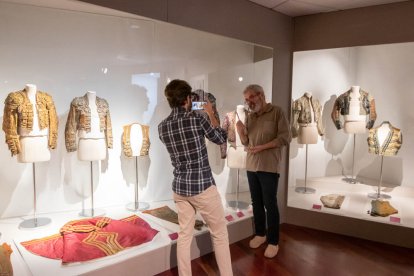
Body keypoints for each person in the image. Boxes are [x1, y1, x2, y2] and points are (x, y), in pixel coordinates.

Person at [158, 79, 233, 276]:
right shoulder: (197, 119)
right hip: (202, 187)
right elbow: (220, 138)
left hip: (180, 188)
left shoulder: (162, 127)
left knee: (184, 236)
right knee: (220, 235)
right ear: (188, 98)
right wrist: (210, 112)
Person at [236, 84, 291, 258]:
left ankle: (273, 241)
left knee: (270, 203)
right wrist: (240, 132)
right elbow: (246, 143)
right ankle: (260, 234)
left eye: (251, 97)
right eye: (246, 99)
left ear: (261, 95)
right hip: (252, 166)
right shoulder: (250, 117)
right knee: (256, 203)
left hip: (268, 166)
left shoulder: (277, 112)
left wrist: (261, 148)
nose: (248, 102)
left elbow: (285, 137)